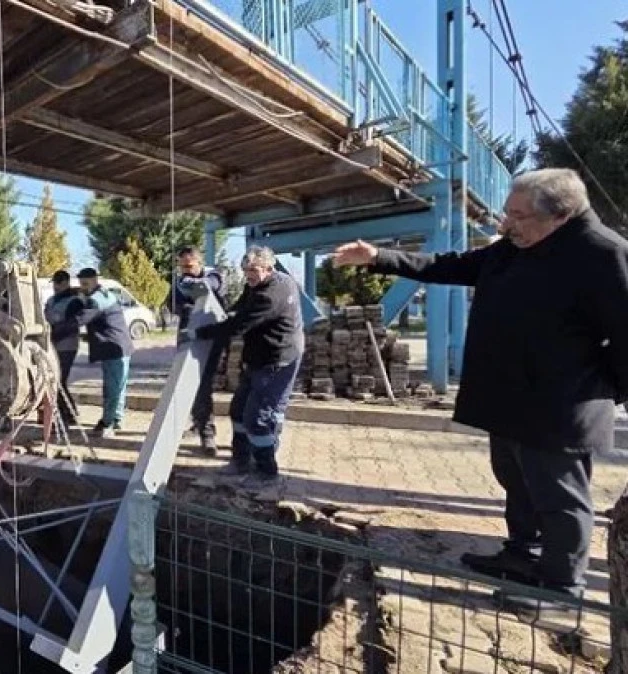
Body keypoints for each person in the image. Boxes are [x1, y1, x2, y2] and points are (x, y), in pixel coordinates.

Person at [331, 168, 628, 609]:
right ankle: (522, 555)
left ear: (561, 215)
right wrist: (379, 257)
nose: (506, 225)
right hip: (509, 397)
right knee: (517, 483)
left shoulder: (603, 253)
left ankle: (561, 586)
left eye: (518, 216)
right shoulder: (515, 246)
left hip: (560, 405)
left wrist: (607, 393)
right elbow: (449, 265)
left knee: (559, 496)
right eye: (507, 213)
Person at [192, 246, 303, 483]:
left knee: (258, 418)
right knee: (238, 410)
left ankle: (265, 471)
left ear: (269, 268)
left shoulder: (271, 294)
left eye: (253, 270)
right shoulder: (255, 285)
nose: (248, 275)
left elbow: (239, 326)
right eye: (245, 270)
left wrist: (201, 333)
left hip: (277, 360)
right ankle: (241, 460)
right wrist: (225, 315)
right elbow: (239, 310)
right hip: (257, 357)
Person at [166, 246, 225, 455]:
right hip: (187, 338)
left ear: (200, 263)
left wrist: (192, 295)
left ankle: (207, 434)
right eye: (182, 266)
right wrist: (184, 307)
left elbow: (210, 286)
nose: (186, 270)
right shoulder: (179, 282)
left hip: (209, 339)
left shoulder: (213, 275)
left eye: (189, 266)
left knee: (203, 386)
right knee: (189, 385)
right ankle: (198, 423)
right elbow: (172, 304)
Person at [66, 267, 134, 438]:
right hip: (118, 346)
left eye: (86, 284)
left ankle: (107, 424)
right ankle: (116, 419)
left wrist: (54, 330)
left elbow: (80, 319)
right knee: (118, 387)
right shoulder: (102, 294)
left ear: (95, 280)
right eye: (81, 284)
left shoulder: (97, 300)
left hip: (113, 348)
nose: (83, 287)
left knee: (112, 389)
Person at [44, 269, 83, 426]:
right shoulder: (51, 300)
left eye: (59, 283)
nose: (56, 286)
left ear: (66, 283)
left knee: (59, 380)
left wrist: (54, 334)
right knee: (55, 380)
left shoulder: (74, 301)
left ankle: (68, 414)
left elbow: (72, 325)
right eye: (54, 283)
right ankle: (67, 413)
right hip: (52, 345)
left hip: (67, 345)